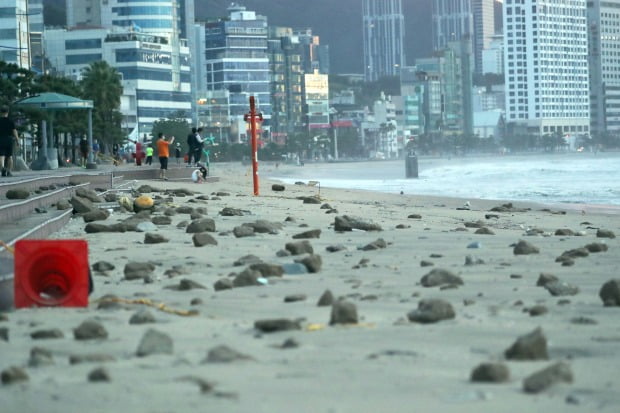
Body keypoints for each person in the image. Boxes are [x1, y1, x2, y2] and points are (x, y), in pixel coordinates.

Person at [0, 106, 19, 177]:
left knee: (1, 156)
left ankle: (2, 169)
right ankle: (9, 171)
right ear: (7, 112)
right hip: (9, 139)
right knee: (10, 156)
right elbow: (14, 131)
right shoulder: (10, 121)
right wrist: (17, 140)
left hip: (0, 139)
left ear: (1, 112)